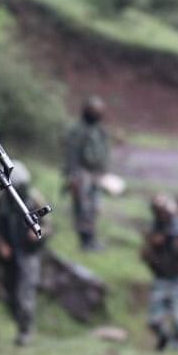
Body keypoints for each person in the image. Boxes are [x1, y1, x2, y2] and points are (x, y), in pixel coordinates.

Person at [0, 161, 49, 347]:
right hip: (7, 256)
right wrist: (0, 244)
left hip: (29, 253)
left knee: (25, 293)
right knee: (6, 293)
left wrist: (37, 233)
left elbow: (48, 226)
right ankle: (19, 322)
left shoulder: (34, 199)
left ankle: (26, 330)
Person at [140, 194, 178, 352]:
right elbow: (144, 255)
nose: (161, 215)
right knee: (154, 321)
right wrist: (152, 245)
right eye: (158, 212)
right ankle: (164, 339)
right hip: (160, 279)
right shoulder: (153, 230)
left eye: (163, 211)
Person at [63, 96, 110, 251]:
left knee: (94, 207)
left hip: (96, 173)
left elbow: (104, 151)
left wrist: (104, 172)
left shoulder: (100, 129)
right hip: (82, 172)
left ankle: (92, 240)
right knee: (83, 208)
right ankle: (85, 242)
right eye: (94, 111)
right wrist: (72, 175)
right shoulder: (77, 129)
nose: (97, 114)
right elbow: (72, 153)